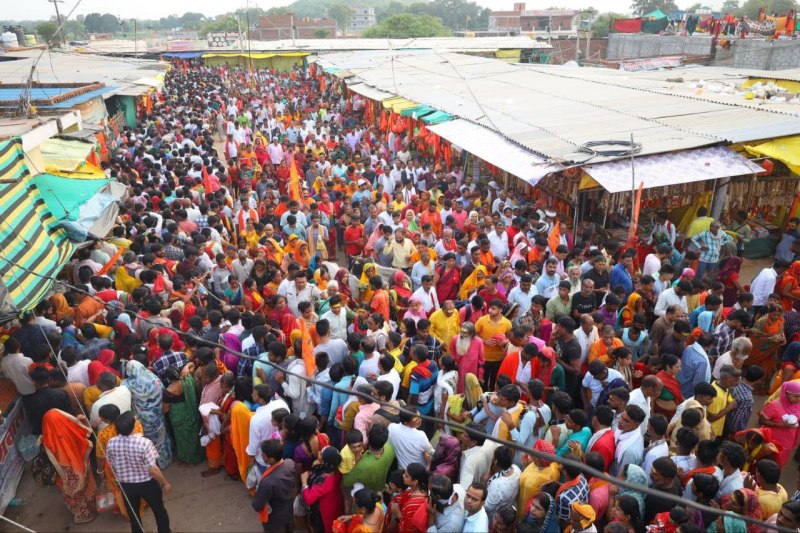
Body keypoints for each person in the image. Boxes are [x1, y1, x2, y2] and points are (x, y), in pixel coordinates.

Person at [106, 411, 171, 533]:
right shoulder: (144, 443)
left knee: (133, 515)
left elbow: (112, 463)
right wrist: (164, 483)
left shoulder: (111, 443)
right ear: (134, 426)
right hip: (147, 484)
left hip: (126, 485)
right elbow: (153, 469)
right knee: (159, 511)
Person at [41, 410, 97, 524]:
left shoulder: (46, 438)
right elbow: (84, 435)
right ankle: (91, 506)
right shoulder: (68, 428)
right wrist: (81, 421)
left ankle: (81, 515)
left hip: (64, 473)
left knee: (74, 494)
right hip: (80, 465)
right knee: (85, 487)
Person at [122, 360, 172, 469]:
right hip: (158, 415)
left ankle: (152, 466)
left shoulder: (126, 384)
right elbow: (163, 391)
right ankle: (165, 462)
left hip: (142, 419)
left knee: (147, 442)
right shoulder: (153, 378)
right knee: (161, 439)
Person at [301, 446, 345, 533]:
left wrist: (304, 482)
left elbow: (309, 499)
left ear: (325, 461)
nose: (319, 452)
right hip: (337, 502)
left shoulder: (324, 480)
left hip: (326, 509)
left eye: (321, 453)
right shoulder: (337, 470)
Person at [758, 381, 800, 466]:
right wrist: (781, 425)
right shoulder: (774, 405)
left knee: (779, 462)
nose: (798, 399)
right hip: (772, 441)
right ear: (786, 393)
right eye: (796, 396)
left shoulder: (797, 405)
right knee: (767, 462)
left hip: (787, 441)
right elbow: (761, 421)